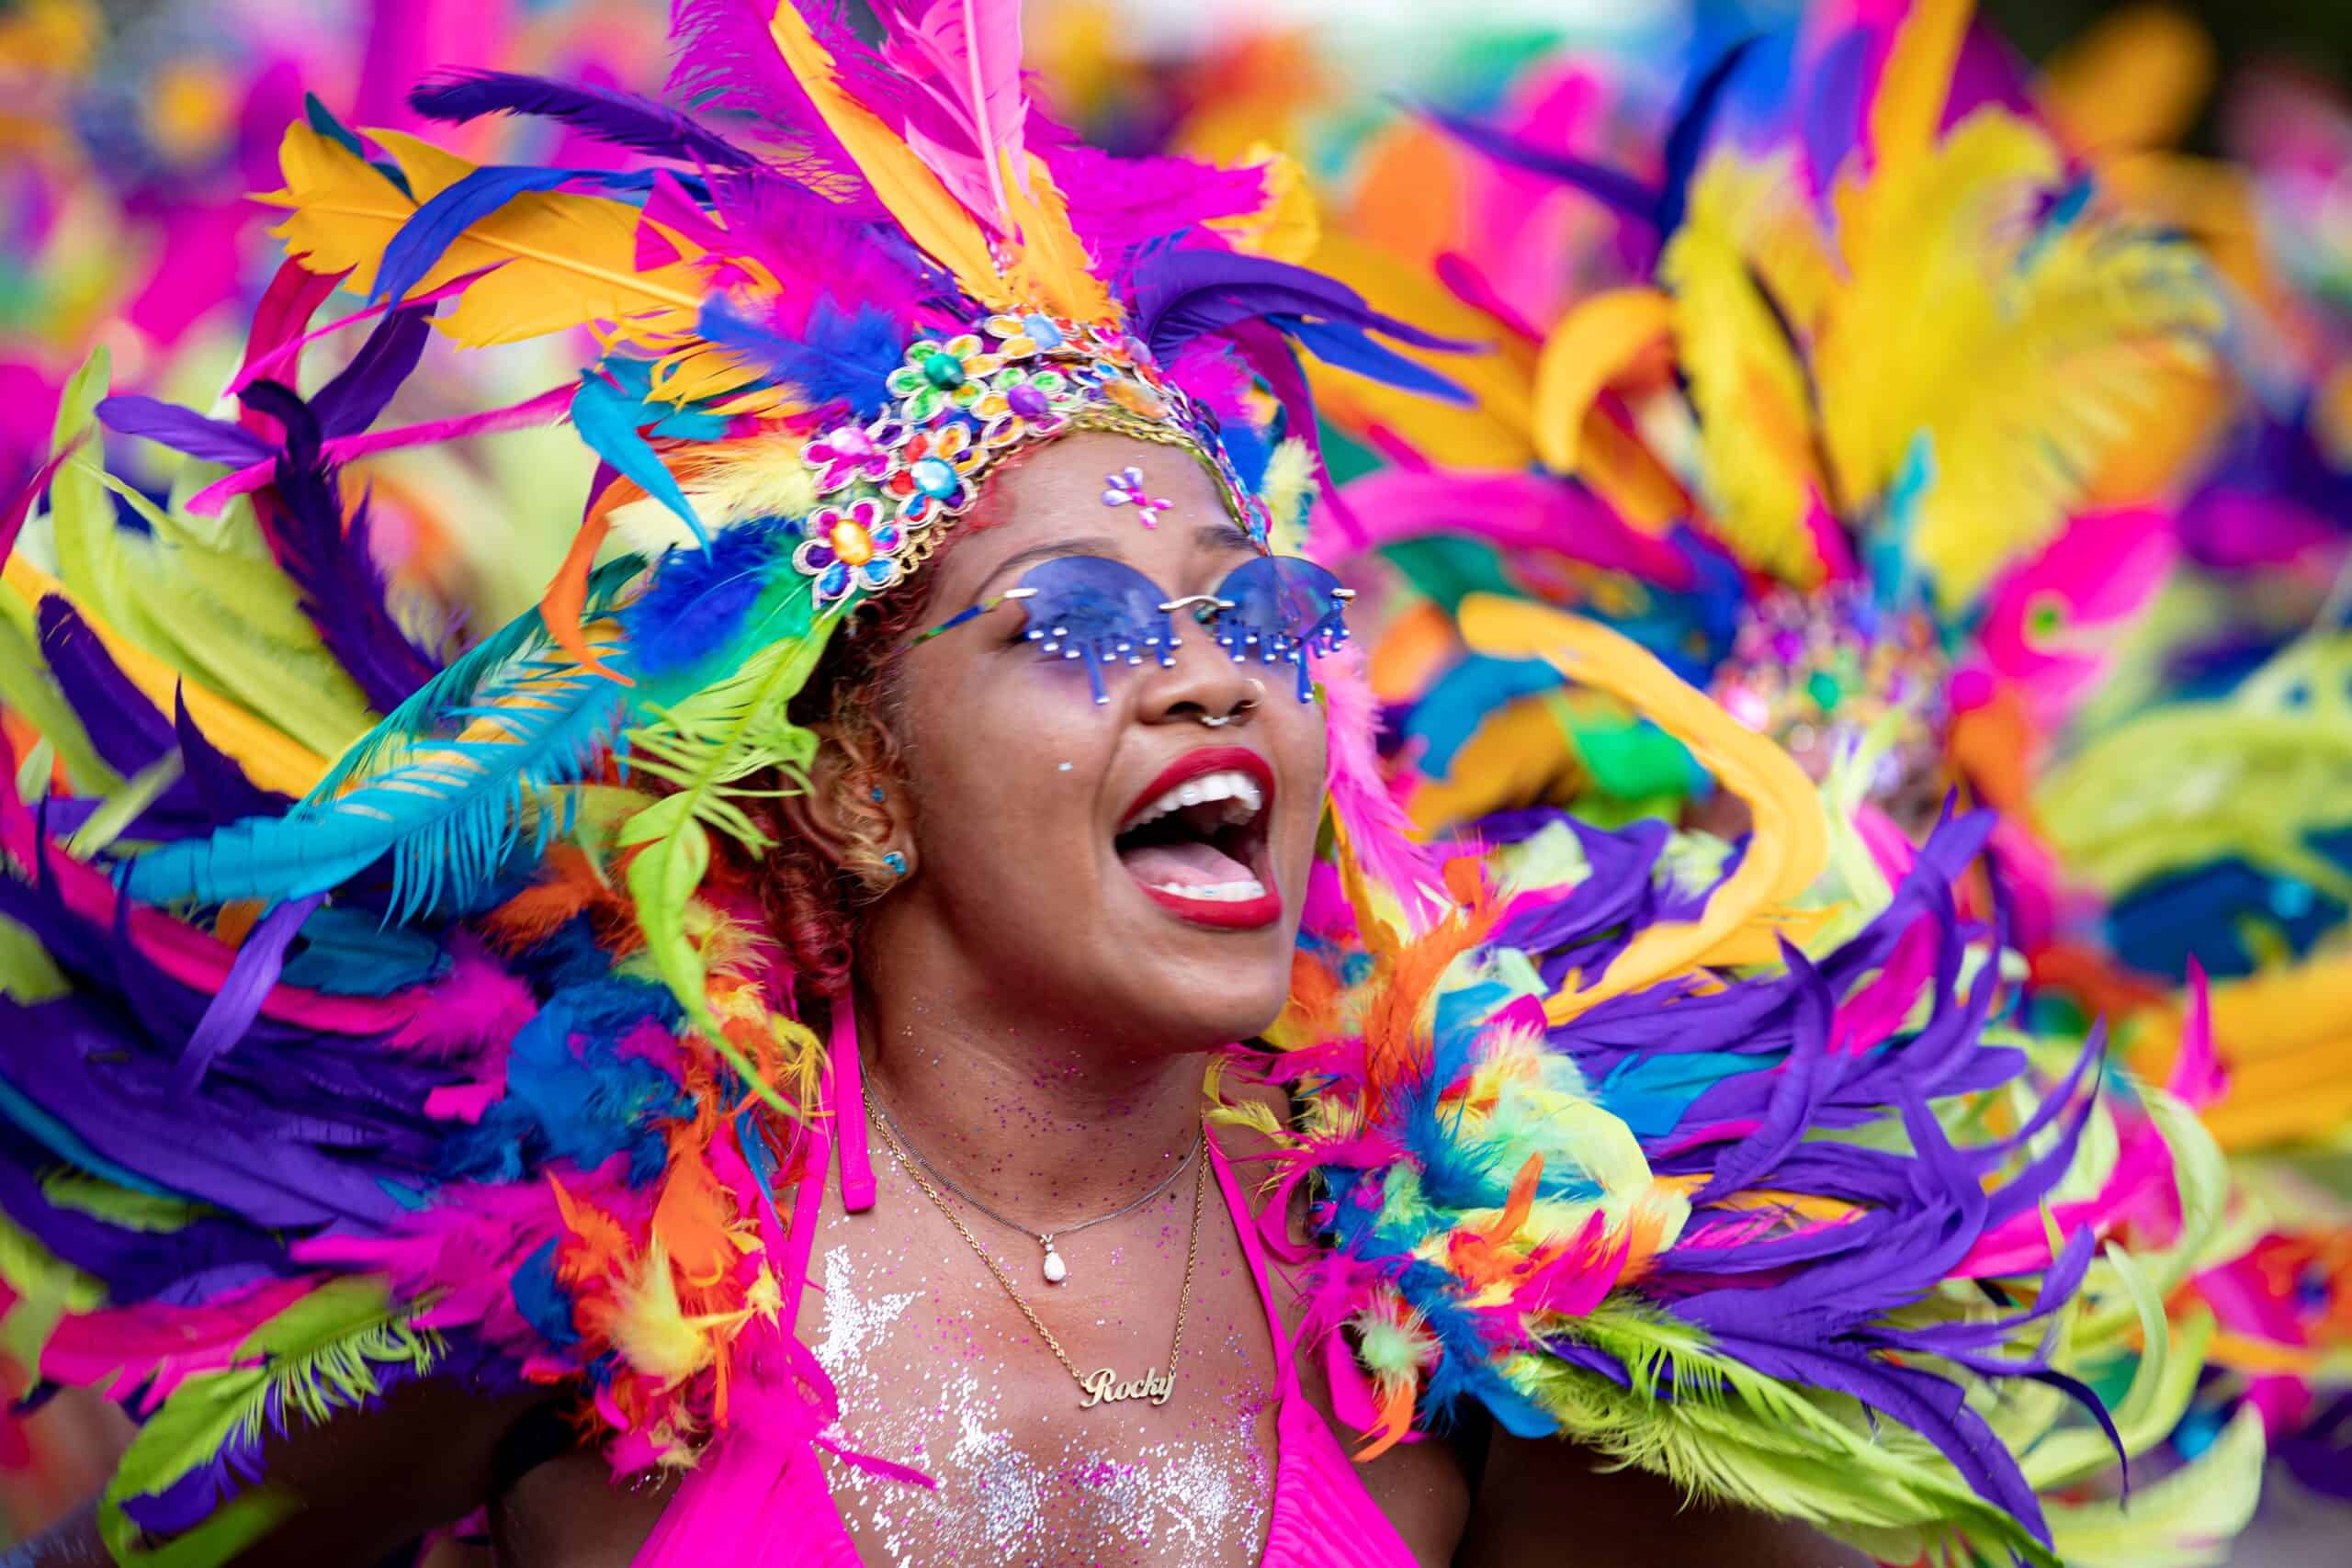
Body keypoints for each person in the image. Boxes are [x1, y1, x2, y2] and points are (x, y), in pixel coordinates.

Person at [0, 2, 2224, 1563]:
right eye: (1075, 625)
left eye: (1254, 621)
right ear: (859, 785)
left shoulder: (1443, 1297)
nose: (1205, 678)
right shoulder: (578, 1301)